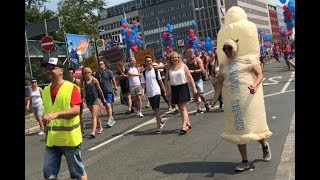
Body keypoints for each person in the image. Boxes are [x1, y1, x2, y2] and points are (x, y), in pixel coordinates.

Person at [214, 6, 272, 171]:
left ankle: (264, 145)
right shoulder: (224, 65)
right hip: (233, 101)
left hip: (248, 98)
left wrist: (253, 85)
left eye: (229, 48)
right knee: (239, 130)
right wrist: (214, 99)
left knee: (253, 127)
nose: (227, 51)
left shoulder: (248, 59)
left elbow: (260, 75)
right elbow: (219, 83)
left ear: (235, 48)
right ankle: (245, 161)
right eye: (225, 49)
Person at [41, 57, 87, 179]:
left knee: (78, 173)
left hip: (70, 140)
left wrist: (57, 114)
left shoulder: (70, 88)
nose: (48, 70)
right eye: (46, 68)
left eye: (52, 68)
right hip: (52, 141)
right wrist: (45, 129)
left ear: (61, 70)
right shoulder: (45, 91)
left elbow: (76, 110)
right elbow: (48, 113)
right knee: (48, 174)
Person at [165, 52, 197, 135]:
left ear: (178, 58)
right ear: (170, 60)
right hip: (174, 88)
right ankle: (188, 123)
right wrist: (167, 91)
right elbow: (166, 80)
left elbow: (190, 77)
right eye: (172, 58)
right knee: (180, 107)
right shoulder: (169, 67)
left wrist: (194, 88)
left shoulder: (183, 66)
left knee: (182, 107)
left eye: (175, 57)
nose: (174, 59)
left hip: (183, 87)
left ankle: (183, 126)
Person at [141, 55, 167, 133]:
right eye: (147, 61)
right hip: (149, 93)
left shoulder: (156, 71)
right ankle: (161, 120)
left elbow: (160, 81)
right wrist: (142, 92)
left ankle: (158, 127)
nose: (149, 62)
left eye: (150, 60)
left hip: (156, 92)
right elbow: (143, 84)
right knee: (155, 110)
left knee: (156, 110)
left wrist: (164, 90)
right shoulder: (144, 73)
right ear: (145, 62)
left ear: (152, 61)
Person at [186, 48, 210, 114]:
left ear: (192, 53)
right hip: (191, 80)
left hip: (198, 79)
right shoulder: (187, 61)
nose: (187, 54)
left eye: (188, 53)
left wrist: (193, 71)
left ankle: (205, 103)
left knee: (200, 93)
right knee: (195, 94)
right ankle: (198, 108)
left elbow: (202, 69)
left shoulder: (197, 59)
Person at [95, 60, 118, 127]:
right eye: (99, 64)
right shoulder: (97, 73)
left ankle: (110, 119)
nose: (100, 65)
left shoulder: (108, 71)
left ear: (104, 65)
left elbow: (113, 80)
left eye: (102, 64)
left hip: (108, 90)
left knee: (108, 105)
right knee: (107, 106)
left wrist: (115, 87)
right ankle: (111, 118)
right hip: (101, 92)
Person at [68, 68, 85, 134]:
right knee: (73, 116)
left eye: (72, 73)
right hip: (71, 101)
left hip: (78, 100)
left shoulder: (77, 81)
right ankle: (75, 129)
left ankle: (82, 129)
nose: (71, 74)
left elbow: (81, 91)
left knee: (79, 115)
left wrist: (82, 100)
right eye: (69, 73)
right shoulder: (68, 82)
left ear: (74, 73)